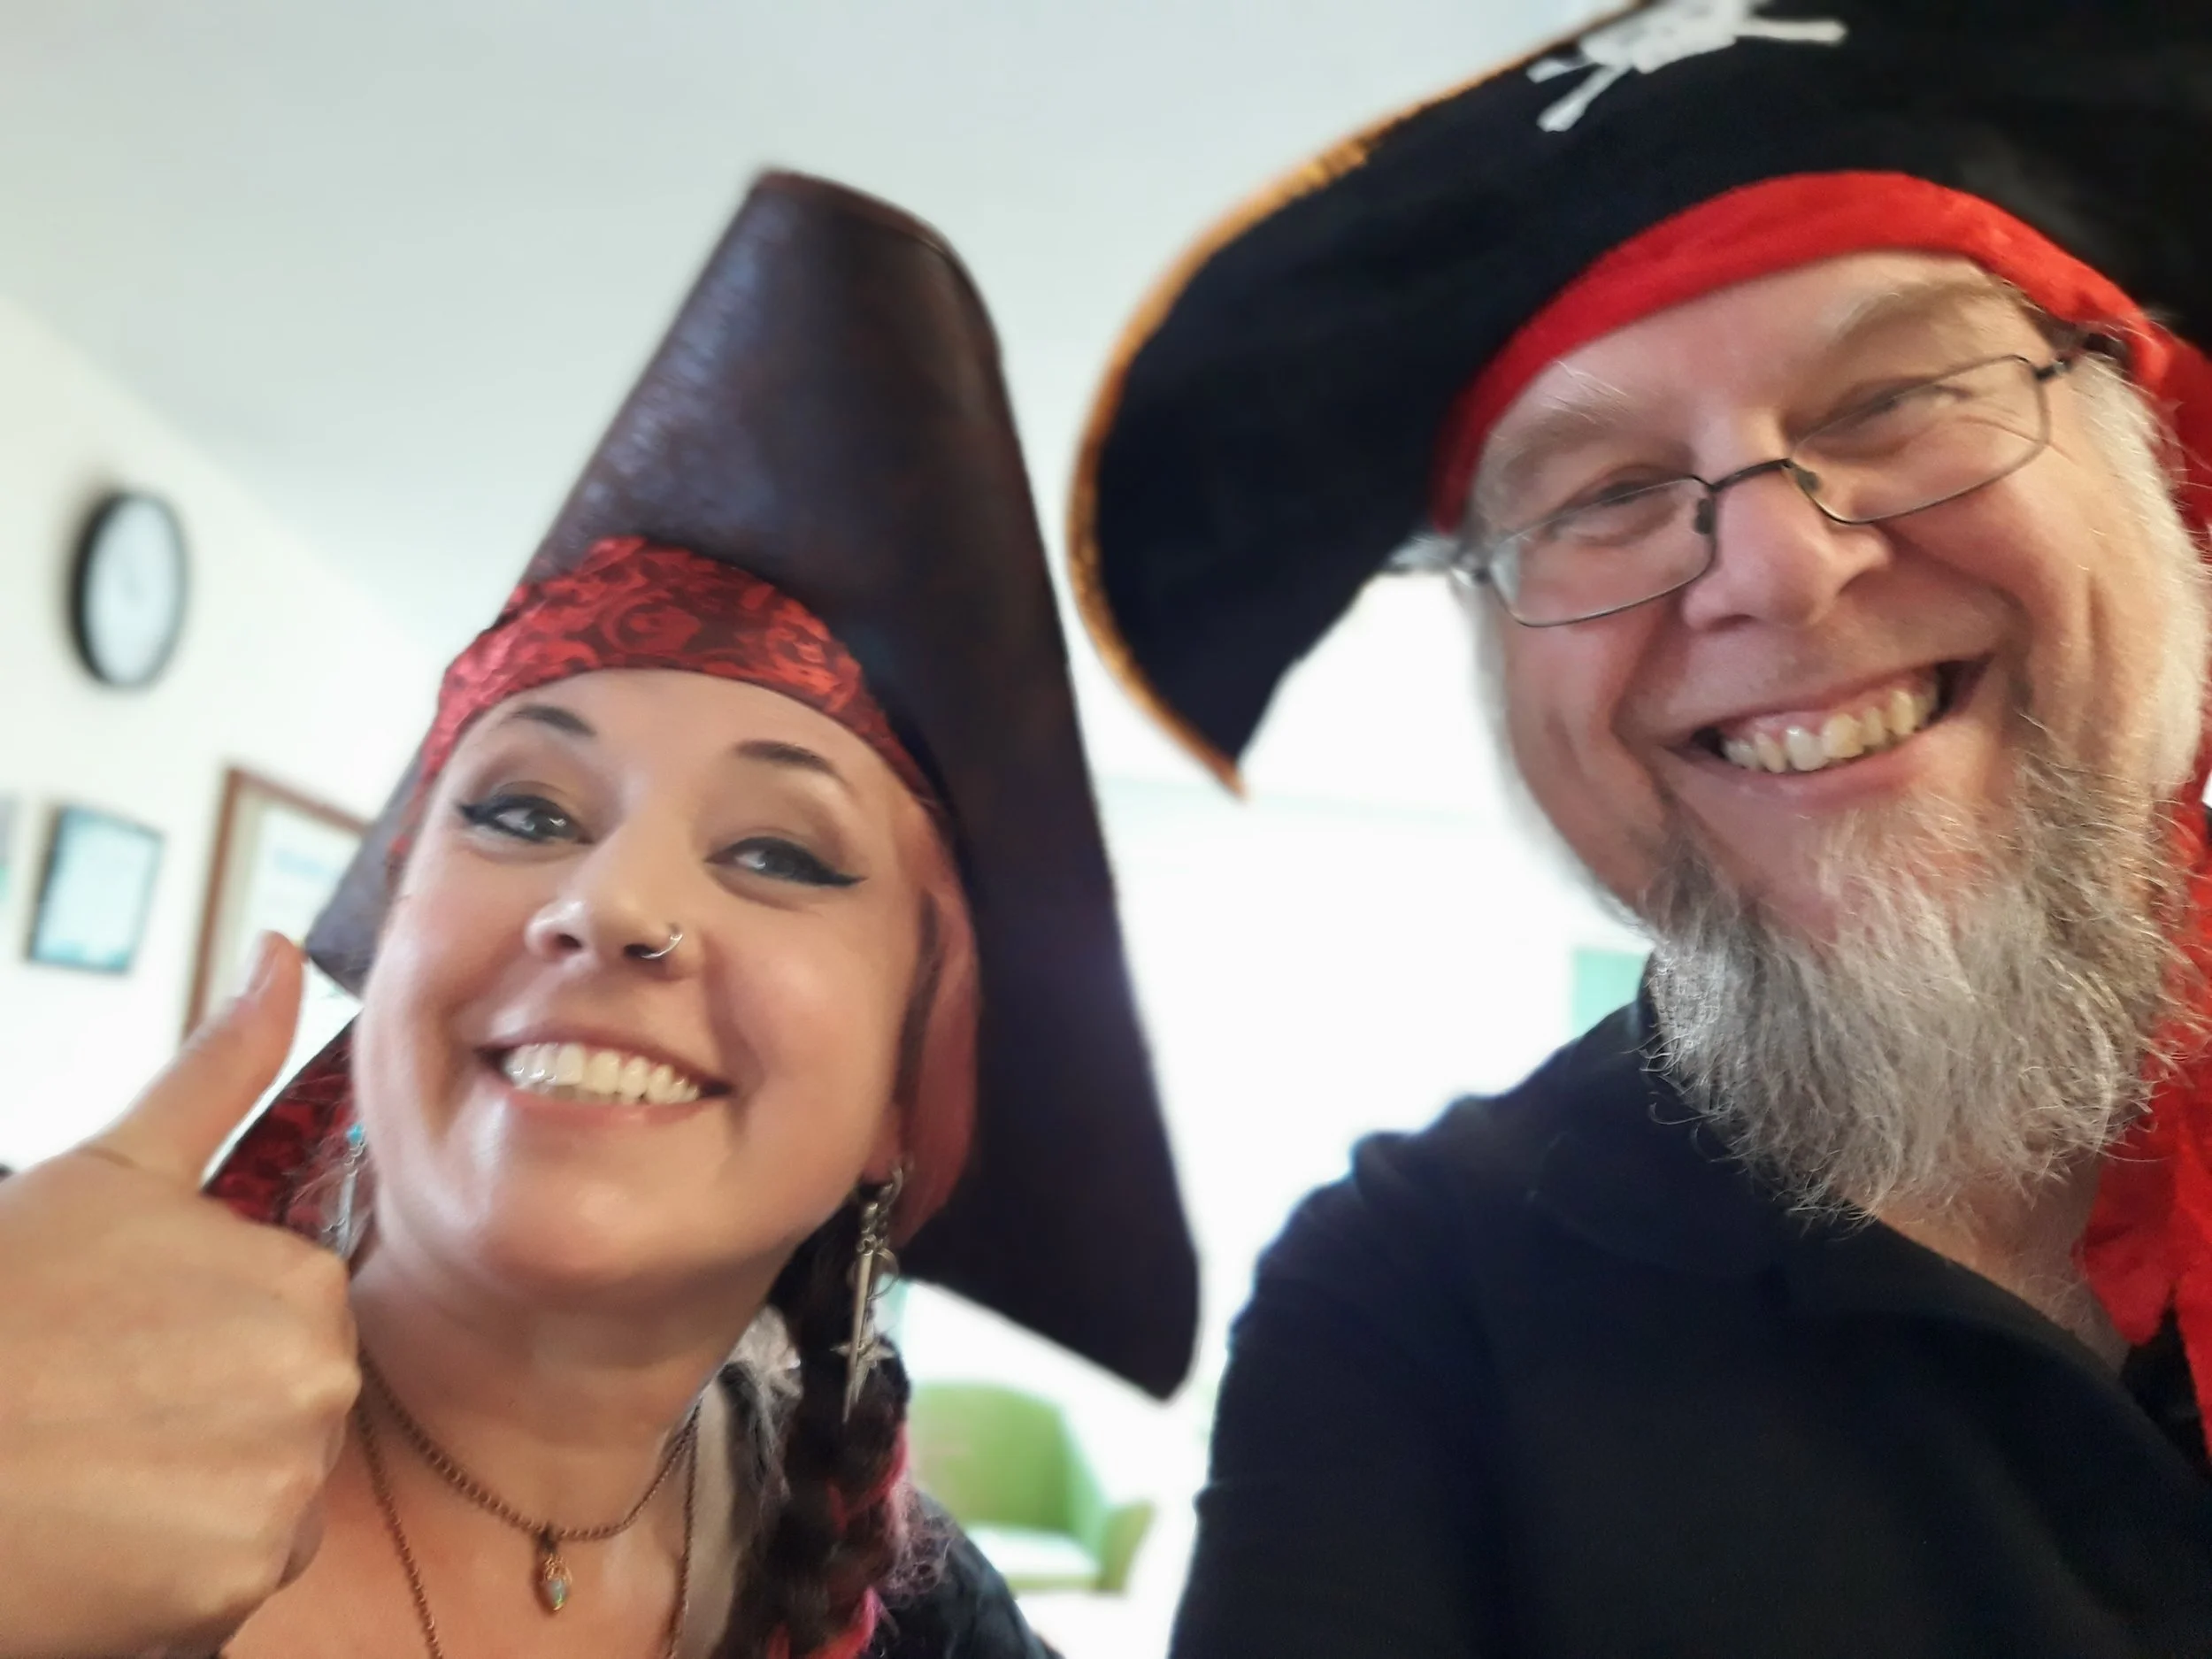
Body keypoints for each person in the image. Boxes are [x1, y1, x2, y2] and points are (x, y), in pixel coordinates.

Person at [1070, 2, 2212, 1654]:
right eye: (1601, 495)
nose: (1777, 567)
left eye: (1892, 398)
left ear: (2162, 481)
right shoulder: (1416, 1296)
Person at [1, 168, 1195, 1659]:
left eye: (778, 852)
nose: (611, 900)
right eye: (523, 811)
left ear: (905, 1096)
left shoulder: (930, 1631)